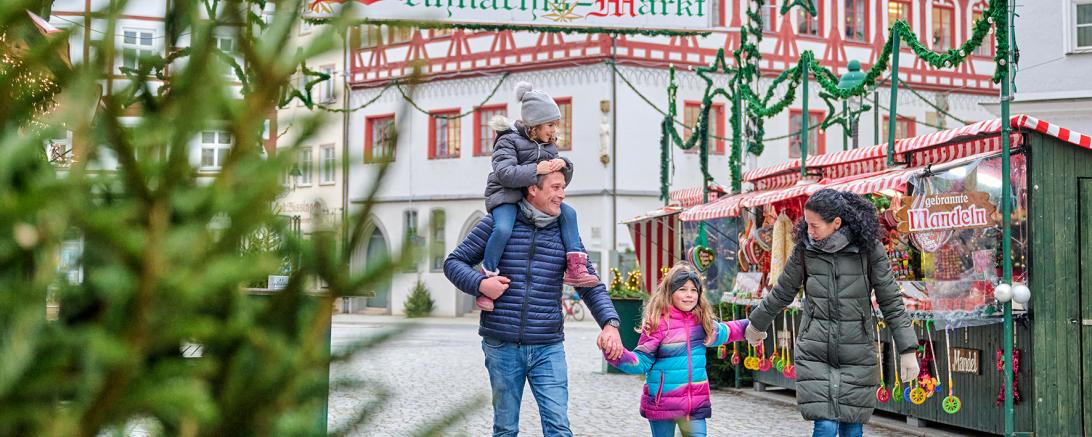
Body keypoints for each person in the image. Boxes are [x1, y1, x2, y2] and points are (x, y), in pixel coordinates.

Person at [444, 170, 623, 437]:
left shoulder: (565, 229)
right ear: (532, 189)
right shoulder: (498, 223)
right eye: (555, 187)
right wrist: (481, 285)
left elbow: (588, 281)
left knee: (559, 426)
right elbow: (453, 263)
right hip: (502, 344)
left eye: (564, 187)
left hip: (547, 346)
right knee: (505, 428)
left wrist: (610, 323)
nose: (561, 194)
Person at [743, 189, 919, 437]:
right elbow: (782, 291)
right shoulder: (805, 250)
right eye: (806, 224)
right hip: (815, 348)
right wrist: (756, 324)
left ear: (836, 223)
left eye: (814, 226)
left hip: (856, 349)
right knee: (824, 425)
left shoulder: (869, 249)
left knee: (851, 423)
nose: (809, 231)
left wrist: (907, 350)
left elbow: (890, 299)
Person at [477, 81, 599, 311]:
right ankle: (487, 275)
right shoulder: (507, 140)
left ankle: (576, 266)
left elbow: (556, 181)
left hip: (529, 198)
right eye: (550, 125)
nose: (554, 131)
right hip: (505, 195)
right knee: (503, 229)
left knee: (569, 213)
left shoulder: (549, 146)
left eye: (556, 125)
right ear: (534, 124)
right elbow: (504, 174)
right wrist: (537, 170)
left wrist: (565, 164)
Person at [605, 262, 749, 437]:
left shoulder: (701, 321)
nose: (689, 295)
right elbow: (641, 362)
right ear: (669, 292)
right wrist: (615, 354)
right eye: (682, 289)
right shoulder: (658, 323)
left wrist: (753, 325)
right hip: (663, 404)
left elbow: (728, 331)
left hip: (694, 404)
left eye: (693, 290)